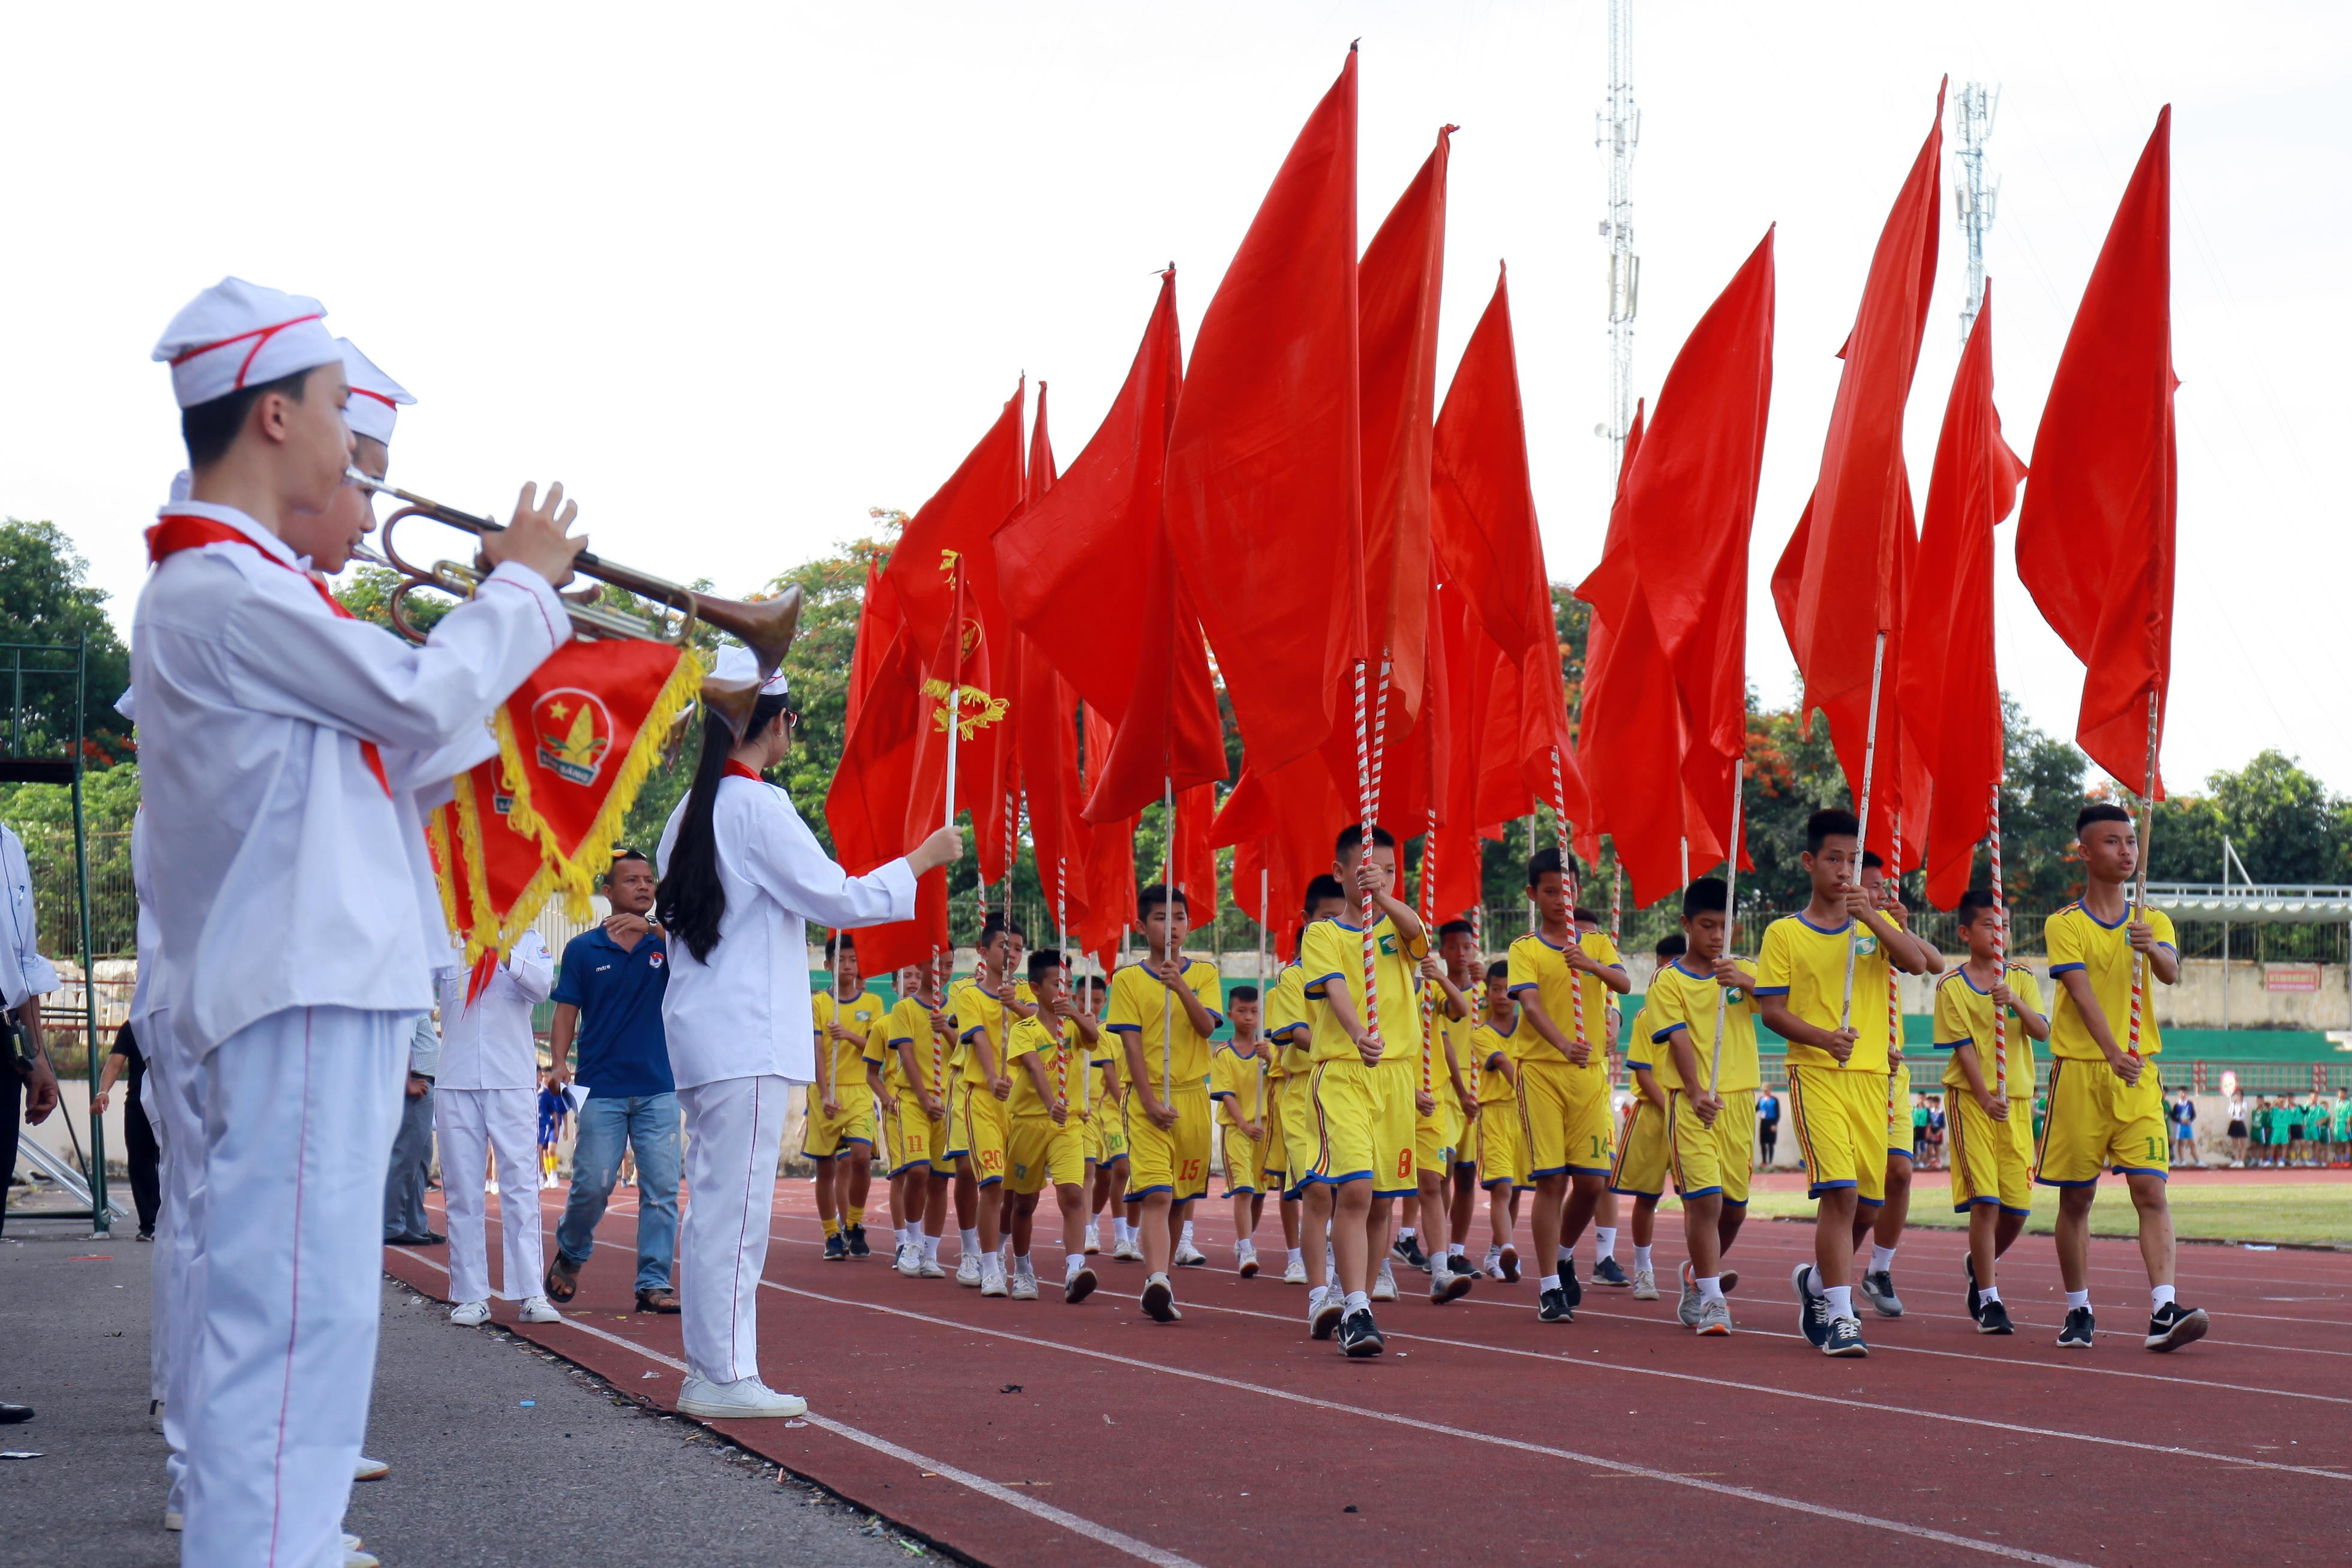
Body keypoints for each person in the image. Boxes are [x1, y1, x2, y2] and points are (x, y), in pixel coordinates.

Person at [137, 278, 583, 1561]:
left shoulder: (245, 584)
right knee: (291, 1317)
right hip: (301, 983)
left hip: (319, 979)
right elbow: (422, 692)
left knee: (313, 1312)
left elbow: (415, 727)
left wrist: (502, 637)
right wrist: (524, 590)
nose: (354, 446)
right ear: (275, 417)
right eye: (339, 409)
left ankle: (282, 1534)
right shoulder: (223, 585)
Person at [657, 645, 958, 1414]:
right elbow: (840, 899)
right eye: (794, 721)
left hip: (708, 1033)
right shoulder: (756, 807)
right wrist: (922, 859)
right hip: (745, 1036)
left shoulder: (687, 812)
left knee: (720, 1206)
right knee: (736, 1212)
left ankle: (714, 1368)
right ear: (775, 722)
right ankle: (722, 1376)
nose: (795, 734)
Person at [1755, 808, 1935, 1359]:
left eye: (1852, 861)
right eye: (1833, 859)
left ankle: (1814, 1282)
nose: (1843, 870)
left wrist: (1880, 918)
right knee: (1839, 1193)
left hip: (1874, 1081)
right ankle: (1838, 1314)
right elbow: (1772, 1012)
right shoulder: (1784, 932)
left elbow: (1918, 963)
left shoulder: (1871, 925)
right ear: (1810, 862)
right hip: (1816, 1074)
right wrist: (1820, 1038)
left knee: (1868, 1208)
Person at [2035, 803, 2207, 1352]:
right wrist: (2110, 1051)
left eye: (2130, 841)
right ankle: (2078, 1308)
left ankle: (2162, 1308)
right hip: (2083, 1072)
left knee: (2149, 1189)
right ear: (2084, 852)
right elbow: (2080, 993)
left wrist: (2150, 947)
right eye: (2111, 842)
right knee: (2076, 1201)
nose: (2125, 851)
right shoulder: (2064, 924)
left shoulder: (2151, 920)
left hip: (2138, 1076)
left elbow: (2171, 972)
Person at [1300, 825, 1429, 1354]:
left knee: (1382, 1201)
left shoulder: (1397, 928)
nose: (1376, 876)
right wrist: (1358, 1033)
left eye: (1389, 869)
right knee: (1352, 1190)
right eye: (1365, 868)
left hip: (1396, 1077)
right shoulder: (1323, 934)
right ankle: (1354, 1308)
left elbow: (1418, 934)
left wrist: (1386, 895)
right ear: (1340, 872)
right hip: (1344, 1071)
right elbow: (1333, 989)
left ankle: (1362, 1295)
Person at [545, 848, 683, 1314]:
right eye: (632, 881)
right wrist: (558, 1063)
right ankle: (572, 1249)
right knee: (592, 1186)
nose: (645, 887)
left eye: (649, 880)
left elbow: (711, 949)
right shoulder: (583, 949)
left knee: (662, 1189)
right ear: (608, 892)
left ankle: (652, 1282)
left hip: (659, 1088)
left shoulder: (668, 945)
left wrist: (656, 930)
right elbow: (565, 1012)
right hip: (600, 1090)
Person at [1508, 847, 1633, 1325]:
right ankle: (1548, 1287)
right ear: (1533, 895)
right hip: (1541, 1071)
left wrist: (1589, 963)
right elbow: (1532, 1007)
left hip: (1589, 1076)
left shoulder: (1595, 942)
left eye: (1568, 890)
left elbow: (1621, 983)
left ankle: (1562, 1253)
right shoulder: (1526, 948)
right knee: (1551, 1180)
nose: (1562, 899)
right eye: (1550, 891)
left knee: (1592, 1182)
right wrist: (1562, 1044)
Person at [1647, 879, 1763, 1336]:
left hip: (1739, 1100)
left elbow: (1787, 1003)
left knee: (1734, 1209)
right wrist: (1695, 1091)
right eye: (1707, 926)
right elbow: (1677, 1037)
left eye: (1724, 927)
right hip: (1693, 1103)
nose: (1716, 936)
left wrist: (1746, 982)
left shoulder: (1741, 970)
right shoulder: (1668, 979)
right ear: (1687, 925)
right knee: (1705, 1201)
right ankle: (1713, 1301)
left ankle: (1697, 1275)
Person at [1107, 884, 1225, 1323]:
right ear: (1141, 926)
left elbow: (1206, 1028)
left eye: (1178, 918)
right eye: (1160, 918)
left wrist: (1181, 988)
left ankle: (1165, 1278)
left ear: (1188, 924)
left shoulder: (1205, 975)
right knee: (1155, 1193)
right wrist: (1148, 1099)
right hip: (1145, 1098)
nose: (1170, 926)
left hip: (1193, 1095)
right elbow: (1131, 1046)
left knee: (1179, 1197)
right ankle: (1154, 1278)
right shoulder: (1127, 979)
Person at [1932, 888, 2048, 1336]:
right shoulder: (1952, 986)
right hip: (1973, 1103)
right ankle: (1989, 1297)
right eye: (1988, 924)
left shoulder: (2020, 977)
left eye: (2003, 925)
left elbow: (2040, 1031)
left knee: (2016, 1210)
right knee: (1986, 1200)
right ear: (1965, 932)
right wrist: (1983, 1097)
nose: (1998, 932)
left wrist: (2014, 1002)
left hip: (2017, 1102)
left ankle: (1979, 1266)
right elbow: (1962, 1049)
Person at [435, 929, 559, 1325]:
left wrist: (502, 949)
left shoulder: (526, 937)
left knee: (521, 1185)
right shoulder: (447, 938)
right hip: (456, 1076)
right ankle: (471, 1295)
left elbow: (541, 988)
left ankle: (530, 1293)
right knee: (462, 1190)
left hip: (511, 1078)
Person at [1855, 852, 1943, 1320]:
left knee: (1900, 1173)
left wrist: (1897, 924)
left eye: (1884, 886)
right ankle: (1824, 1278)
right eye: (1872, 885)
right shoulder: (1834, 933)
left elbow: (1931, 962)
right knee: (1855, 1192)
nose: (1880, 894)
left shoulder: (1883, 930)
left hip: (1892, 1075)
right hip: (1849, 1071)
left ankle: (1878, 1268)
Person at [1004, 950, 1104, 1303]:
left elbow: (1094, 1037)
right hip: (1030, 1123)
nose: (1061, 989)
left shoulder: (1073, 1025)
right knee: (1023, 1203)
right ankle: (1022, 1268)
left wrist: (1076, 1013)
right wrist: (1050, 1105)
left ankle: (1075, 1269)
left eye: (1065, 983)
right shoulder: (1024, 1029)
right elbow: (1032, 1067)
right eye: (1053, 983)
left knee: (1073, 1194)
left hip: (1069, 1125)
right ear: (1035, 988)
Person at [1270, 876, 1349, 1290]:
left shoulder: (1364, 972)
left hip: (1355, 1085)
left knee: (1357, 1193)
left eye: (1343, 918)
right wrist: (1347, 1040)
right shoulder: (1292, 978)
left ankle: (1359, 1274)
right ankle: (1320, 1293)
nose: (1335, 929)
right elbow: (1297, 1033)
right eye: (1326, 919)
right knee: (1318, 1193)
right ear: (1306, 921)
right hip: (1307, 1091)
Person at [947, 914, 1030, 1294]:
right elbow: (978, 1037)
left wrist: (1018, 1008)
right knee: (991, 1180)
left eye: (1018, 948)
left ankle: (1008, 1255)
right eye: (1004, 946)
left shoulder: (1025, 993)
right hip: (981, 1095)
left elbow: (1046, 1026)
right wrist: (994, 1077)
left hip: (1021, 1102)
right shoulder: (969, 994)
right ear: (983, 951)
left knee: (1017, 1188)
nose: (1012, 954)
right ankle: (990, 1265)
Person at [1407, 920, 1481, 1298]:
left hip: (1432, 1099)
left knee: (1433, 1182)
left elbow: (1461, 1008)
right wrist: (1407, 1089)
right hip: (1391, 1095)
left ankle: (1440, 1271)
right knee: (1377, 1188)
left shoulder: (1431, 987)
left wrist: (1439, 975)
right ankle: (1380, 1266)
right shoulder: (1376, 987)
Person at [1606, 935, 1683, 1302]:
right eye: (1665, 966)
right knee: (1648, 1197)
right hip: (1655, 1114)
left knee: (1703, 1199)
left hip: (1690, 1115)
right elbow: (1643, 1073)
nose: (1669, 974)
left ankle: (1702, 1273)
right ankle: (1643, 1269)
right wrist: (1673, 1109)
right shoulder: (1646, 1016)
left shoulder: (1707, 1013)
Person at [809, 932, 887, 1261]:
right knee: (825, 1167)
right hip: (825, 1090)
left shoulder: (873, 1003)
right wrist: (825, 1094)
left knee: (859, 1157)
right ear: (828, 964)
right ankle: (831, 1233)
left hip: (858, 1090)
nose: (848, 966)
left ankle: (854, 1224)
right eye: (841, 960)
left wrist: (849, 1035)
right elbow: (816, 1052)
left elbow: (876, 1049)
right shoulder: (819, 1003)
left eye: (853, 960)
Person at [887, 959, 956, 1278]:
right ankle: (911, 1242)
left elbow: (967, 1050)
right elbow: (906, 1055)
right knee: (918, 1171)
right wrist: (925, 1098)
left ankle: (931, 1252)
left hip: (947, 1103)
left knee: (940, 1180)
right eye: (938, 964)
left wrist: (948, 1030)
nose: (944, 971)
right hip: (916, 1101)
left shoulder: (956, 1006)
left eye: (950, 965)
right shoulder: (906, 1009)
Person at [1470, 960, 1526, 1281]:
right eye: (1495, 989)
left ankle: (1496, 1253)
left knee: (1517, 1189)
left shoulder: (1530, 1026)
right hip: (1495, 1113)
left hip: (1526, 1116)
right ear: (1487, 992)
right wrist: (1528, 1088)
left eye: (1508, 989)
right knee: (1502, 1187)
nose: (1502, 995)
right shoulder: (1482, 1034)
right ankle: (1507, 1248)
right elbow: (1503, 1063)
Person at [1210, 984, 1271, 1277]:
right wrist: (1244, 1124)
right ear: (1231, 1014)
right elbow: (1227, 1093)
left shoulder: (1267, 1050)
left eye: (1255, 1012)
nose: (1249, 1017)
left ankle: (1245, 1239)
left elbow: (1283, 1076)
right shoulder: (1223, 1053)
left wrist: (1271, 1058)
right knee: (1244, 1188)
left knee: (1260, 1192)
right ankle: (1247, 1247)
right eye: (1243, 1011)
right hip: (1237, 1129)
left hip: (1265, 1130)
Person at [89, 1021, 162, 1239]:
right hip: (139, 1103)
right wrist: (103, 1091)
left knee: (175, 1160)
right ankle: (150, 1224)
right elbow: (114, 1063)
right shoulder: (133, 1027)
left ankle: (170, 1220)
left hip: (172, 1100)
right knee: (140, 1163)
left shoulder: (178, 1016)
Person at [384, 1013, 445, 1245]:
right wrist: (406, 1081)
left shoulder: (421, 1006)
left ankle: (415, 1224)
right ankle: (391, 1225)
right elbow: (403, 1042)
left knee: (419, 1161)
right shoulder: (411, 1004)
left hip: (425, 1085)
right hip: (416, 1086)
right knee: (405, 1159)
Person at [1756, 1086, 1780, 1168]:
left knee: (1771, 1143)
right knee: (1763, 1143)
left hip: (1772, 1122)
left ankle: (1770, 1162)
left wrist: (1775, 1124)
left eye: (1767, 1090)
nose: (1765, 1092)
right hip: (1763, 1122)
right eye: (1764, 1090)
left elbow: (1778, 1113)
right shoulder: (1762, 1099)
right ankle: (1764, 1162)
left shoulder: (1774, 1100)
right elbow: (1756, 1109)